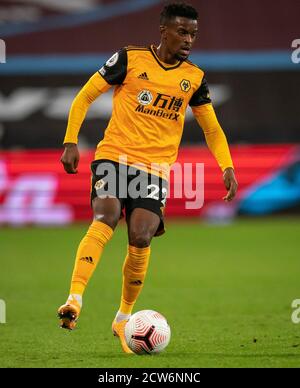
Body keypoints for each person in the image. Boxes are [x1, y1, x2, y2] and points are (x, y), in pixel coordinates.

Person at [58, 2, 238, 354]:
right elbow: (83, 97)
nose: (189, 40)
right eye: (182, 32)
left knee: (140, 237)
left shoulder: (194, 78)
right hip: (114, 156)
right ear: (164, 31)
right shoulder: (129, 59)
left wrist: (227, 166)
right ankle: (74, 300)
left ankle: (123, 317)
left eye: (194, 34)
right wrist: (70, 141)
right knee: (106, 217)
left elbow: (211, 128)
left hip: (154, 169)